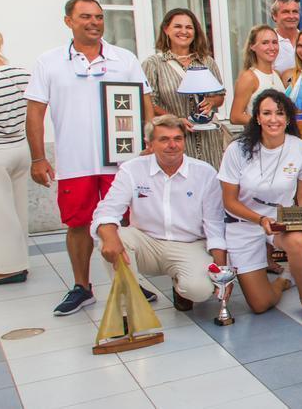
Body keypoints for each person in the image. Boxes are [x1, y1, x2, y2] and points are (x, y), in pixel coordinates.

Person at [26, 0, 154, 316]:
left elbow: (145, 103)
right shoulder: (49, 61)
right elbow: (35, 112)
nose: (94, 22)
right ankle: (82, 287)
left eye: (98, 17)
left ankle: (129, 280)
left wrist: (149, 142)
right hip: (75, 162)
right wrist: (38, 158)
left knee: (123, 223)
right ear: (68, 21)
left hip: (121, 161)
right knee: (78, 224)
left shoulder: (124, 59)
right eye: (85, 17)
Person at [92, 116, 225, 310]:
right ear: (150, 144)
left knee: (200, 291)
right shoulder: (132, 169)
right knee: (110, 234)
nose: (172, 145)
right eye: (164, 139)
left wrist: (221, 272)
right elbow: (107, 210)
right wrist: (109, 236)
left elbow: (214, 224)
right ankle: (128, 309)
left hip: (189, 244)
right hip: (147, 243)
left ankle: (180, 285)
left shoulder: (204, 173)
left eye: (178, 139)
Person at [219, 90, 302, 322]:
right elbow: (229, 201)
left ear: (288, 118)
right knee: (260, 304)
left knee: (298, 241)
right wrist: (260, 220)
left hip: (281, 219)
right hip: (244, 223)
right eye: (266, 113)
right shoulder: (237, 150)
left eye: (279, 113)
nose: (273, 119)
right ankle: (284, 280)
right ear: (257, 118)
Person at [142, 8, 228, 169]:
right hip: (173, 139)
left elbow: (220, 96)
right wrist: (174, 120)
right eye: (178, 27)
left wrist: (211, 101)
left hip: (208, 139)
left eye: (189, 27)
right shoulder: (153, 64)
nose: (184, 31)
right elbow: (149, 104)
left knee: (209, 185)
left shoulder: (206, 61)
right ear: (166, 29)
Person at [0, 31, 31, 285]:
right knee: (18, 209)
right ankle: (20, 261)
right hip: (20, 147)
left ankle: (7, 268)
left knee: (0, 213)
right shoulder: (20, 72)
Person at [228, 25, 284, 126]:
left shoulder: (276, 74)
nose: (271, 47)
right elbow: (235, 116)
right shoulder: (249, 77)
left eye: (274, 42)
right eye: (265, 43)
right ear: (252, 46)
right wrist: (265, 123)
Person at [271, 0, 301, 74]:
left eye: (295, 11)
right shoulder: (267, 43)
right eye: (286, 12)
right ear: (274, 15)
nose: (291, 16)